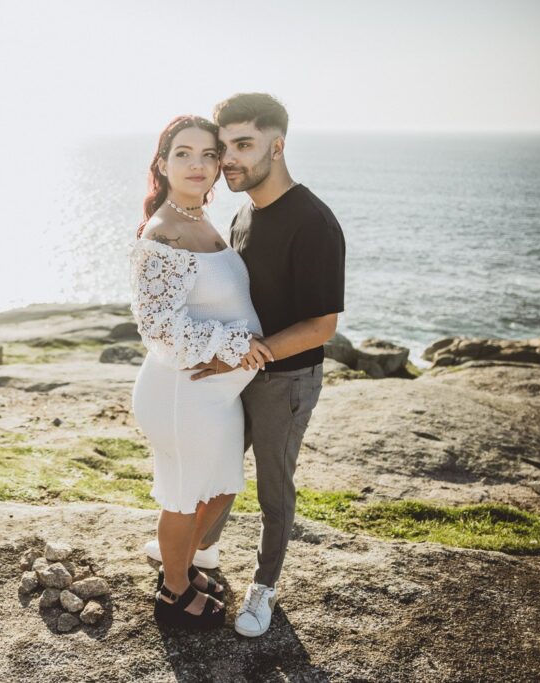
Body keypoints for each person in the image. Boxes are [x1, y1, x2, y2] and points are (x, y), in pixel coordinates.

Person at [184, 93, 346, 638]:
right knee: (218, 467)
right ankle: (202, 554)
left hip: (287, 378)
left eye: (243, 145)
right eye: (223, 146)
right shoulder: (244, 211)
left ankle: (264, 586)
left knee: (272, 487)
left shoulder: (315, 222)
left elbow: (324, 325)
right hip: (243, 370)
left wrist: (257, 353)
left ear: (277, 145)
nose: (227, 159)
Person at [128, 115, 274, 629]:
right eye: (183, 153)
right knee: (187, 494)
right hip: (180, 391)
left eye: (208, 154)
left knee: (222, 487)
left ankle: (182, 565)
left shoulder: (202, 219)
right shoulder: (163, 233)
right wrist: (238, 345)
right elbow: (159, 329)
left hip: (214, 393)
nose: (197, 164)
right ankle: (173, 593)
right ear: (162, 164)